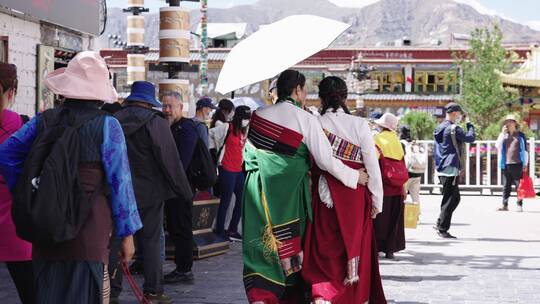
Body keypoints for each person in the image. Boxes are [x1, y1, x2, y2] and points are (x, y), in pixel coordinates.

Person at [0, 51, 142, 303]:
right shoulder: (108, 126)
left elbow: (7, 153)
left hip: (47, 227)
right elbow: (120, 183)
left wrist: (30, 189)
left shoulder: (45, 120)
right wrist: (127, 234)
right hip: (90, 230)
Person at [242, 70, 367, 303]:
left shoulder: (258, 115)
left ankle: (260, 295)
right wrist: (354, 177)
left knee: (259, 242)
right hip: (290, 196)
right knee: (290, 241)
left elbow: (248, 154)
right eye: (305, 89)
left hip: (258, 192)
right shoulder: (305, 118)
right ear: (298, 89)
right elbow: (325, 160)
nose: (306, 94)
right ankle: (289, 291)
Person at [302, 76, 386, 304]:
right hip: (356, 197)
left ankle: (324, 293)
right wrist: (377, 200)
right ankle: (350, 295)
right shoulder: (359, 125)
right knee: (352, 244)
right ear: (346, 97)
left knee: (326, 246)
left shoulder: (316, 123)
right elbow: (372, 166)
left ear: (321, 97)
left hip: (324, 193)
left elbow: (318, 162)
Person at [108, 81, 192, 303]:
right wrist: (184, 191)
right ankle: (153, 291)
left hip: (119, 191)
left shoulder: (114, 120)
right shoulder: (156, 122)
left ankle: (112, 291)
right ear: (149, 101)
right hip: (150, 193)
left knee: (117, 240)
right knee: (152, 241)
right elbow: (170, 160)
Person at [0, 63, 35, 304]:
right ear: (12, 92)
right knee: (33, 295)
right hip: (16, 227)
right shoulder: (23, 126)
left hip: (16, 227)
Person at [161, 91, 199, 284]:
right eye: (164, 106)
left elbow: (181, 162)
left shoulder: (186, 128)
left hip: (182, 187)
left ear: (180, 108)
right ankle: (181, 266)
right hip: (170, 187)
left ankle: (185, 269)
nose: (166, 110)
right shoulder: (170, 127)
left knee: (182, 228)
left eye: (170, 106)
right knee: (175, 228)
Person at [209, 105, 251, 242]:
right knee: (225, 201)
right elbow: (210, 134)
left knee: (242, 199)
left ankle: (232, 229)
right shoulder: (227, 127)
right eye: (244, 118)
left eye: (248, 118)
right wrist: (215, 151)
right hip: (226, 169)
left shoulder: (245, 130)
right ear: (238, 117)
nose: (246, 121)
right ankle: (220, 230)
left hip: (238, 169)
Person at [433, 102, 475, 239]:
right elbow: (470, 138)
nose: (459, 116)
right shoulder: (454, 129)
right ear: (455, 113)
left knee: (454, 198)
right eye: (458, 114)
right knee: (450, 199)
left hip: (442, 166)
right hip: (450, 167)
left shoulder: (440, 127)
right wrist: (469, 125)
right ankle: (442, 228)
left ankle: (440, 222)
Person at [373, 113, 407, 259]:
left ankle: (377, 247)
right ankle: (390, 249)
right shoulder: (397, 141)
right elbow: (403, 164)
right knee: (394, 219)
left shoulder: (377, 139)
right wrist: (404, 188)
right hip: (398, 186)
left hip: (383, 185)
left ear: (381, 126)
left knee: (380, 219)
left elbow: (373, 162)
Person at [495, 114, 528, 212]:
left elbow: (525, 150)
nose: (508, 123)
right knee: (506, 186)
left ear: (515, 123)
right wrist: (502, 134)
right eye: (507, 121)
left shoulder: (521, 135)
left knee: (519, 185)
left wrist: (525, 163)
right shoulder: (504, 135)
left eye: (510, 121)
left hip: (518, 163)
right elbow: (497, 146)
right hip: (505, 163)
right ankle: (505, 205)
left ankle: (519, 204)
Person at [400, 125, 423, 205]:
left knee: (402, 196)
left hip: (407, 173)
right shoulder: (413, 142)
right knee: (416, 197)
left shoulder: (401, 143)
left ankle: (404, 216)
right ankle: (417, 215)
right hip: (417, 172)